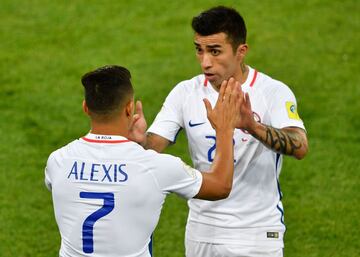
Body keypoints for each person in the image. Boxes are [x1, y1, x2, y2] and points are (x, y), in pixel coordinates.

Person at [131, 6, 309, 257]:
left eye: (215, 51)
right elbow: (152, 148)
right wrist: (138, 141)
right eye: (199, 50)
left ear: (241, 52)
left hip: (257, 233)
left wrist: (252, 126)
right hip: (202, 232)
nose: (205, 62)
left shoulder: (272, 92)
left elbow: (300, 146)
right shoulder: (185, 93)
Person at [44, 65, 242, 257]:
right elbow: (220, 186)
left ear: (86, 108)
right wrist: (224, 129)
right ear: (129, 108)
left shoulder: (58, 161)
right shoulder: (155, 166)